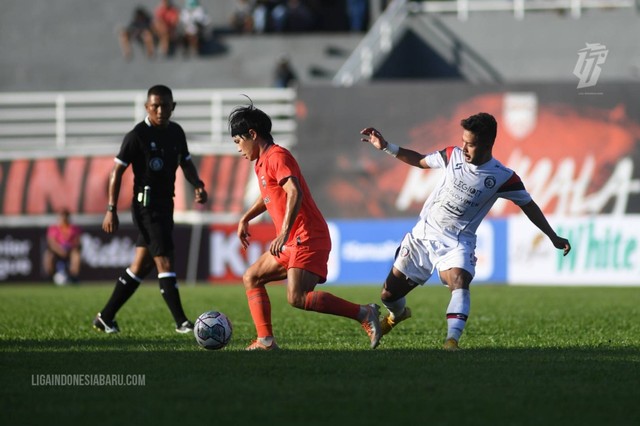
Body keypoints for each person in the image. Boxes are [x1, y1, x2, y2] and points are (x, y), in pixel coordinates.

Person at [360, 113, 571, 351]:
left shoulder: (503, 177)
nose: (464, 148)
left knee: (459, 281)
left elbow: (529, 206)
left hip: (457, 243)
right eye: (463, 141)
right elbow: (420, 160)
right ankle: (395, 316)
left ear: (487, 144)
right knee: (388, 295)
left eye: (470, 144)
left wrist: (553, 236)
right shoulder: (452, 155)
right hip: (423, 236)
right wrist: (386, 147)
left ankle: (452, 341)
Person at [230, 101, 381, 350]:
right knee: (252, 277)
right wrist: (246, 216)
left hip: (307, 236)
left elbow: (293, 191)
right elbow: (270, 194)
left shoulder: (277, 156)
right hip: (293, 239)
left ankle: (364, 312)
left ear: (253, 135)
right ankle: (265, 341)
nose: (238, 149)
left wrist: (284, 232)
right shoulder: (261, 162)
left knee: (297, 297)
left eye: (238, 141)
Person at [93, 85, 208, 334]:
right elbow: (117, 171)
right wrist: (111, 208)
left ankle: (106, 317)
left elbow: (186, 163)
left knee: (141, 266)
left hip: (166, 205)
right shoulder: (137, 136)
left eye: (165, 105)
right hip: (147, 207)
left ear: (173, 107)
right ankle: (182, 322)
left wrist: (197, 184)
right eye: (154, 105)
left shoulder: (176, 132)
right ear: (147, 107)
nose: (160, 110)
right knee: (164, 261)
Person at [43, 209, 82, 284]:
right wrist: (60, 251)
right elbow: (52, 243)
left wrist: (70, 248)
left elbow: (77, 242)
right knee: (48, 255)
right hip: (57, 251)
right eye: (62, 216)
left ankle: (73, 277)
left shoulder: (74, 228)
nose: (64, 218)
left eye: (65, 216)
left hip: (70, 250)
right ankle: (50, 278)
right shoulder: (53, 228)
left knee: (76, 255)